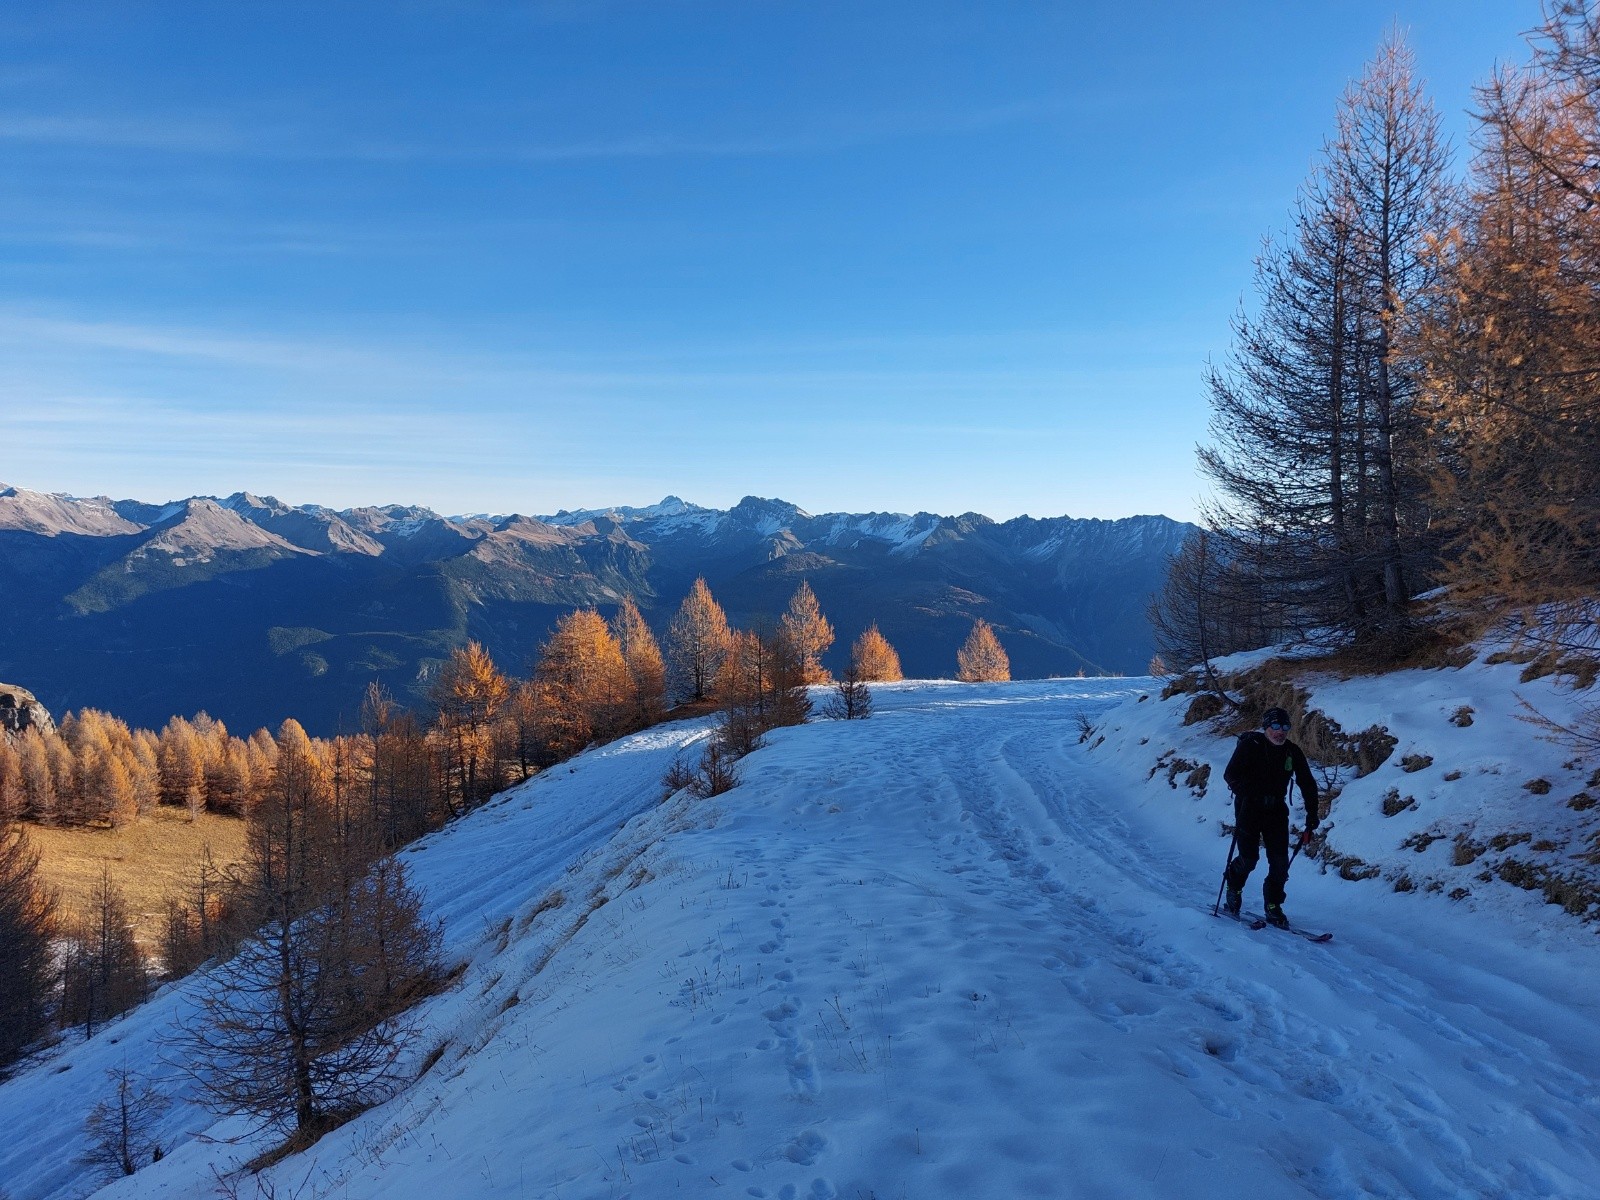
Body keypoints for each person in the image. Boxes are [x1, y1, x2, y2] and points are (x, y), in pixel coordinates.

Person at [1222, 706, 1319, 928]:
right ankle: (1234, 888)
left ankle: (1273, 905)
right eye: (1275, 726)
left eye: (1285, 726)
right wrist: (1246, 792)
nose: (1280, 731)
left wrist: (1312, 814)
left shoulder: (1292, 751)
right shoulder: (1251, 745)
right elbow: (1230, 774)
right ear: (1266, 727)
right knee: (1249, 859)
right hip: (1248, 808)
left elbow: (1307, 783)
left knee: (1280, 863)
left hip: (1276, 811)